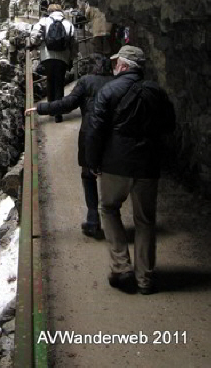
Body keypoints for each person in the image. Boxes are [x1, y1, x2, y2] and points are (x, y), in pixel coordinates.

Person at [84, 45, 176, 294]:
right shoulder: (156, 91)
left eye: (116, 63)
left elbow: (95, 129)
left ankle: (121, 268)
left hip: (116, 164)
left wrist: (91, 162)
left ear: (124, 66)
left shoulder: (108, 90)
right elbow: (170, 125)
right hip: (147, 165)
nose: (114, 67)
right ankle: (145, 279)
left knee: (109, 208)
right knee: (145, 220)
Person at [26, 54, 113, 237]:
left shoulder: (85, 82)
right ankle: (113, 221)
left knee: (88, 175)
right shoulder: (116, 83)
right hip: (113, 136)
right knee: (111, 176)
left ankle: (93, 219)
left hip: (89, 135)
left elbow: (67, 104)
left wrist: (41, 108)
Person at [30, 3, 76, 121]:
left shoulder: (44, 21)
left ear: (49, 11)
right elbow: (74, 44)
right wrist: (72, 58)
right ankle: (58, 113)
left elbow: (34, 36)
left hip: (47, 57)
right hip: (63, 58)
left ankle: (50, 110)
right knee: (59, 84)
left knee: (50, 81)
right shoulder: (68, 24)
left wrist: (34, 45)